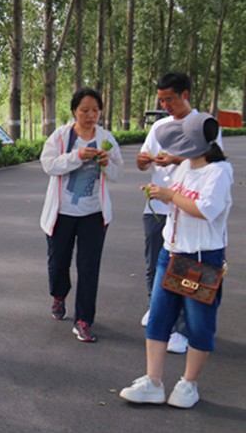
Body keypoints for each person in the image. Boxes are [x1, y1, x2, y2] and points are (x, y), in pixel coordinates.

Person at [120, 112, 232, 409]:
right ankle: (153, 381)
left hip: (200, 257)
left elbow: (206, 209)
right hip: (171, 252)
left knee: (198, 323)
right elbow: (175, 200)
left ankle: (188, 383)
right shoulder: (185, 167)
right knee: (159, 317)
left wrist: (169, 195)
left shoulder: (219, 171)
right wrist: (158, 193)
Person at [135, 72, 222, 354]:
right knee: (155, 265)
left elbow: (213, 159)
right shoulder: (159, 126)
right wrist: (143, 160)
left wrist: (176, 159)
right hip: (158, 207)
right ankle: (158, 310)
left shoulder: (205, 125)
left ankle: (183, 330)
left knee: (189, 273)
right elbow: (141, 161)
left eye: (169, 99)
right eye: (161, 100)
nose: (165, 106)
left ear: (185, 95)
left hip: (188, 211)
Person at [39, 87, 123, 343]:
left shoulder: (106, 138)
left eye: (95, 110)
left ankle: (84, 320)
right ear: (74, 111)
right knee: (58, 263)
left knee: (89, 268)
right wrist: (77, 156)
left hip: (93, 214)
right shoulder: (61, 136)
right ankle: (59, 295)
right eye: (84, 110)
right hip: (61, 213)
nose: (90, 115)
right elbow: (49, 165)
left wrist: (107, 164)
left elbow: (118, 173)